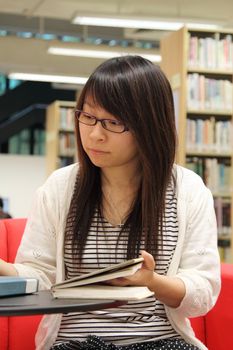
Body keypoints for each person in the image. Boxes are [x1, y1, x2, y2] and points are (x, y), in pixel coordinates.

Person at [0, 56, 220, 350]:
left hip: (159, 341)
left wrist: (152, 281)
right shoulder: (60, 188)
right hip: (75, 343)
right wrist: (4, 268)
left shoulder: (188, 191)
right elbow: (41, 276)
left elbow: (202, 293)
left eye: (112, 122)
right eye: (87, 116)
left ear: (149, 126)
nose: (94, 134)